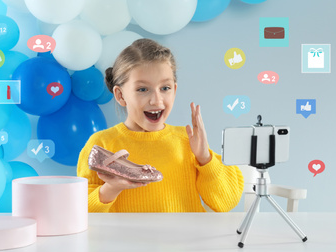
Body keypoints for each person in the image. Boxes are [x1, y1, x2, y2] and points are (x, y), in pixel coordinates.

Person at [77, 39, 244, 213]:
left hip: (185, 239)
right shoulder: (101, 145)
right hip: (126, 240)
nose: (156, 100)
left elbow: (226, 202)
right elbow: (80, 210)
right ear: (120, 95)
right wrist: (111, 188)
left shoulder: (189, 142)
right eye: (142, 89)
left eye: (165, 88)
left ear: (175, 90)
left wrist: (204, 158)